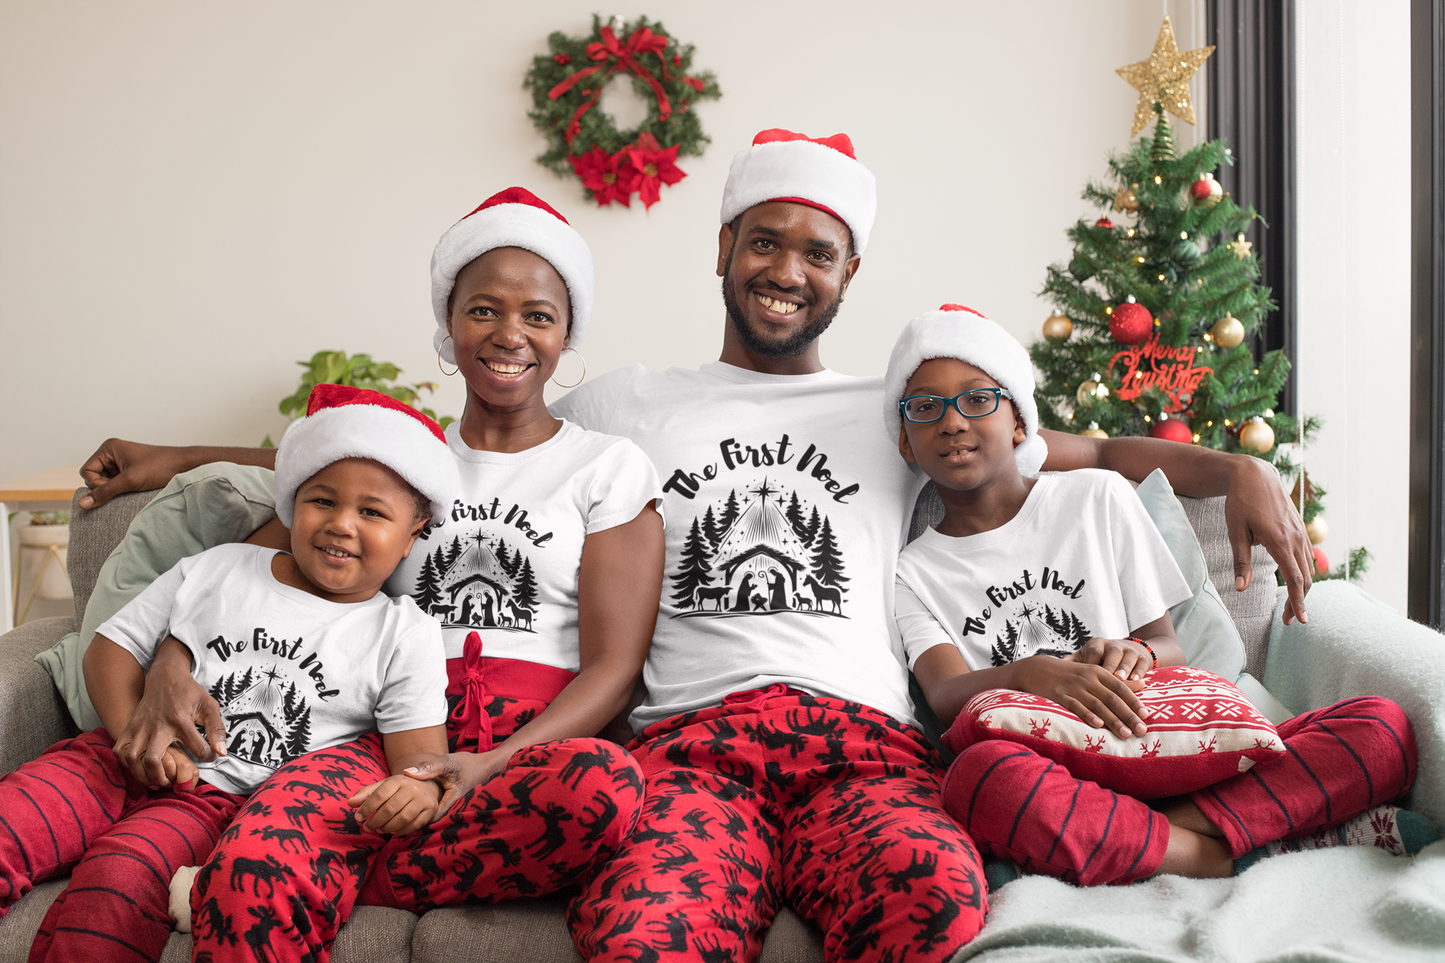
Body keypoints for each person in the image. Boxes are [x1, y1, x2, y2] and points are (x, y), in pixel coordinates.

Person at [78, 130, 1314, 963]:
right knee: (644, 932)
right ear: (720, 249)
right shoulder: (623, 404)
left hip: (864, 750)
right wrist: (177, 465)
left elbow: (1068, 448)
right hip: (688, 752)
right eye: (762, 241)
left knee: (931, 895)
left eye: (815, 251)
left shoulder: (893, 408)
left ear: (847, 275)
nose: (785, 269)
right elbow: (384, 461)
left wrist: (1233, 466)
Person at [73, 188, 665, 963]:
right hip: (373, 735)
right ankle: (266, 869)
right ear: (448, 325)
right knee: (261, 867)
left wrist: (484, 764)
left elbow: (616, 669)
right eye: (483, 309)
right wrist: (171, 654)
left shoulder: (606, 466)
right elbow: (249, 576)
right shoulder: (398, 460)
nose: (509, 334)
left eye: (538, 316)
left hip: (524, 743)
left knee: (601, 786)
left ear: (566, 334)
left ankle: (324, 870)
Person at [886, 304, 1423, 886]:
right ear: (907, 444)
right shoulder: (913, 570)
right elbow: (943, 693)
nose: (953, 421)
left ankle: (1155, 834)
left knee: (1382, 728)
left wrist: (1137, 655)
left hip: (1170, 741)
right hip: (1053, 770)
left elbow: (1166, 645)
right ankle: (1228, 848)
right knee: (978, 780)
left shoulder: (1097, 498)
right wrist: (1029, 674)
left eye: (977, 399)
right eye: (925, 408)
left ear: (1020, 423)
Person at [0, 384, 457, 963]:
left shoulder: (402, 631)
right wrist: (129, 734)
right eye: (322, 501)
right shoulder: (222, 568)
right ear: (292, 503)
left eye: (371, 512)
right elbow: (109, 649)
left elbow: (417, 756)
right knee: (11, 820)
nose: (342, 524)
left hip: (208, 801)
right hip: (107, 757)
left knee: (116, 883)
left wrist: (417, 788)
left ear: (414, 534)